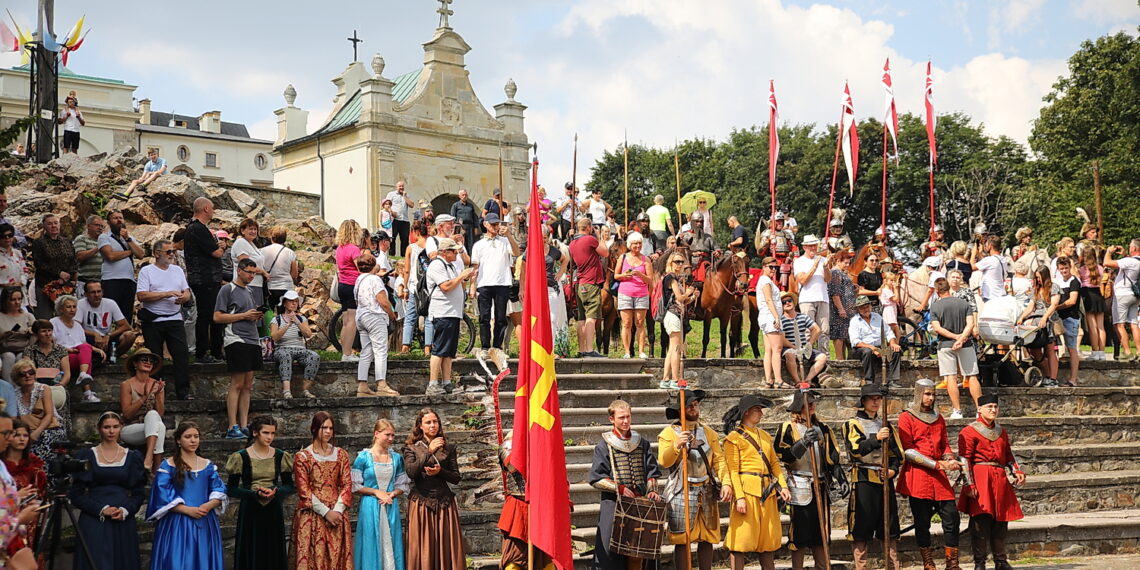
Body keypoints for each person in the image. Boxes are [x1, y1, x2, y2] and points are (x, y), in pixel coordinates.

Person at [658, 389, 730, 570]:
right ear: (681, 409)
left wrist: (726, 482)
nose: (693, 408)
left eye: (696, 404)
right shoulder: (669, 433)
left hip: (705, 488)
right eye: (689, 405)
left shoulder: (709, 433)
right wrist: (676, 445)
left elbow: (719, 460)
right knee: (683, 539)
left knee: (707, 536)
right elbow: (664, 461)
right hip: (681, 488)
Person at [896, 380, 963, 570]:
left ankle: (952, 563)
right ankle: (928, 561)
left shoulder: (938, 418)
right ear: (918, 394)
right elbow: (908, 451)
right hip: (918, 475)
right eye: (927, 394)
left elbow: (944, 444)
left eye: (933, 394)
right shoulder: (906, 418)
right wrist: (937, 464)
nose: (931, 398)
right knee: (922, 521)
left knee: (951, 517)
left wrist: (949, 458)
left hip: (939, 476)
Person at [68, 411, 147, 570]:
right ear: (99, 429)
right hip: (94, 518)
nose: (111, 431)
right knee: (94, 561)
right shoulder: (88, 455)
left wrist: (126, 510)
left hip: (122, 518)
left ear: (121, 428)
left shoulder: (132, 457)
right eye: (107, 427)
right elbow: (76, 494)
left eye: (115, 427)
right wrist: (101, 509)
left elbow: (139, 493)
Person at [590, 400, 662, 570]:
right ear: (611, 419)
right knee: (610, 550)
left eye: (628, 417)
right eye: (621, 417)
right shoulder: (603, 446)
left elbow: (652, 472)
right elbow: (596, 478)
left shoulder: (642, 443)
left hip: (640, 503)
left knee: (642, 549)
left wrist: (652, 491)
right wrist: (619, 488)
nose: (625, 421)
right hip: (615, 504)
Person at [775, 390, 844, 570]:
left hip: (820, 484)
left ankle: (822, 567)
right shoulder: (787, 428)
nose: (812, 405)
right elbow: (784, 455)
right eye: (808, 403)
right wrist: (803, 442)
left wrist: (840, 477)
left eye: (813, 402)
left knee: (821, 532)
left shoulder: (823, 429)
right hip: (800, 483)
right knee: (800, 533)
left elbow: (832, 457)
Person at [146, 421, 227, 570]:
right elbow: (161, 493)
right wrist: (188, 510)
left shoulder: (207, 465)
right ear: (178, 440)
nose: (193, 440)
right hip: (177, 523)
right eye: (188, 436)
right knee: (177, 561)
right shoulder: (168, 465)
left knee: (203, 560)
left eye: (196, 436)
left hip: (204, 521)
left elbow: (219, 489)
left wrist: (208, 506)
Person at [957, 394, 1025, 570]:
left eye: (995, 406)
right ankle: (980, 563)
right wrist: (969, 485)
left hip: (999, 478)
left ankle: (1000, 561)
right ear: (979, 409)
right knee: (980, 521)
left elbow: (1008, 455)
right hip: (980, 478)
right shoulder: (969, 431)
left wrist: (1017, 470)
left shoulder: (1001, 432)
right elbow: (964, 460)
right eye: (989, 407)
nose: (993, 410)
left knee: (1001, 521)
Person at [723, 394, 790, 570]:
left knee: (767, 539)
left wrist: (783, 485)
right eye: (757, 409)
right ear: (746, 412)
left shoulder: (765, 436)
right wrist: (739, 497)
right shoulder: (733, 438)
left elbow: (774, 463)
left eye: (761, 409)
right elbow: (733, 471)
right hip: (746, 491)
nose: (761, 413)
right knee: (741, 539)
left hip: (767, 491)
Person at [843, 383, 903, 570]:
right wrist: (876, 438)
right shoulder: (853, 424)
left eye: (878, 398)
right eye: (872, 398)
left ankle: (892, 565)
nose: (876, 402)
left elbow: (896, 454)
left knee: (889, 526)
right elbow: (855, 450)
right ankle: (861, 567)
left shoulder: (886, 424)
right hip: (863, 478)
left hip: (885, 478)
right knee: (861, 526)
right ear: (863, 401)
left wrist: (893, 470)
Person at [225, 415, 295, 570]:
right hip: (250, 511)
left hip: (273, 510)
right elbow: (231, 489)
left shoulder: (280, 456)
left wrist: (275, 491)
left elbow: (290, 486)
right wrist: (254, 494)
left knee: (273, 551)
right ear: (255, 433)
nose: (270, 437)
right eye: (266, 433)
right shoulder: (241, 456)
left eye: (273, 433)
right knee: (251, 551)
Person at [403, 408, 465, 570]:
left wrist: (440, 472)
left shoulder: (448, 447)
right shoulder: (411, 448)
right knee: (423, 547)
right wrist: (429, 451)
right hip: (421, 503)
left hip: (444, 502)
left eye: (435, 422)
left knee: (446, 544)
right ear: (420, 426)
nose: (432, 425)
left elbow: (456, 478)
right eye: (428, 422)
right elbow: (411, 472)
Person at [291, 411, 354, 569]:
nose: (328, 432)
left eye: (331, 428)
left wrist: (337, 511)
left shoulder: (341, 455)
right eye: (323, 427)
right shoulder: (303, 457)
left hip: (337, 512)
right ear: (314, 429)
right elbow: (304, 491)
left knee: (337, 558)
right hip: (313, 514)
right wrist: (326, 512)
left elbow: (347, 484)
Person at [136, 239, 193, 399]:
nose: (172, 255)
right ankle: (156, 392)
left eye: (173, 251)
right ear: (157, 254)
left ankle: (183, 391)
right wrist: (167, 294)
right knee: (155, 358)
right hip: (154, 320)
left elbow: (186, 290)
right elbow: (142, 295)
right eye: (168, 252)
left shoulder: (177, 270)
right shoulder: (147, 271)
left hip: (174, 318)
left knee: (181, 355)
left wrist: (184, 297)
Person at [216, 258, 265, 439]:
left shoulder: (250, 291)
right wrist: (243, 315)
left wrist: (254, 316)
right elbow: (217, 317)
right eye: (249, 272)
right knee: (237, 383)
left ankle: (244, 424)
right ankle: (232, 425)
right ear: (239, 270)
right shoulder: (227, 289)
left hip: (252, 339)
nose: (252, 276)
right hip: (236, 338)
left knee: (248, 384)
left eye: (254, 273)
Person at [353, 419, 409, 570]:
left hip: (390, 505)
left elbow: (402, 485)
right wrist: (376, 491)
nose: (391, 439)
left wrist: (392, 494)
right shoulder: (363, 458)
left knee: (391, 541)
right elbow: (356, 485)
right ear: (376, 434)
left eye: (393, 435)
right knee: (371, 541)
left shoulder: (396, 458)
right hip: (371, 506)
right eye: (387, 435)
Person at [426, 238, 475, 395]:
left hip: (452, 312)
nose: (457, 254)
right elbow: (446, 286)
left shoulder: (451, 265)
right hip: (442, 312)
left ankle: (447, 383)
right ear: (445, 252)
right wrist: (462, 276)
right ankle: (433, 383)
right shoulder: (436, 265)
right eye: (454, 251)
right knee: (439, 349)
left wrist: (465, 277)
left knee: (449, 351)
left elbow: (455, 284)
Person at [929, 278, 980, 417]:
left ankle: (957, 410)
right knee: (972, 376)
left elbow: (937, 328)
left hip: (946, 345)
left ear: (937, 291)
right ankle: (979, 410)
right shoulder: (963, 303)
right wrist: (962, 338)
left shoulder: (935, 306)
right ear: (949, 288)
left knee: (951, 377)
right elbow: (970, 324)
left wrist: (954, 337)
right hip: (966, 344)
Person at [470, 212, 519, 353]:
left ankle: (497, 346)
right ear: (485, 225)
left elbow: (516, 253)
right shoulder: (478, 245)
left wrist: (509, 235)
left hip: (502, 283)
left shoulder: (504, 241)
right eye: (493, 224)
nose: (495, 227)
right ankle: (485, 345)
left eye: (497, 224)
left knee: (501, 317)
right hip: (484, 283)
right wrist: (473, 285)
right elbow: (475, 266)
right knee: (484, 317)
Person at [185, 198, 225, 364]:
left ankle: (216, 350)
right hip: (205, 279)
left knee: (212, 315)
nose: (214, 211)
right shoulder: (198, 228)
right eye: (213, 208)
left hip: (205, 279)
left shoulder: (193, 228)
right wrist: (222, 246)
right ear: (206, 209)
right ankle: (203, 352)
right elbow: (216, 253)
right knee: (207, 316)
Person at [353, 253, 399, 397]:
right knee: (380, 350)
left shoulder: (359, 280)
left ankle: (362, 385)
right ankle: (381, 384)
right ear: (374, 265)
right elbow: (382, 300)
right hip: (375, 316)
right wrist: (392, 314)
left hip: (361, 316)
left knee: (366, 350)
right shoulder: (375, 279)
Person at [119, 349, 167, 471]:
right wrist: (146, 396)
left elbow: (160, 413)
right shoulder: (127, 384)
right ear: (135, 363)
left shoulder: (157, 384)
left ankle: (151, 462)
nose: (148, 362)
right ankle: (155, 465)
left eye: (151, 360)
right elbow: (127, 414)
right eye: (144, 359)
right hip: (131, 428)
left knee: (156, 420)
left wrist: (157, 394)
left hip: (152, 427)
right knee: (158, 425)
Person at [2, 420, 45, 553]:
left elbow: (41, 491)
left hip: (31, 517)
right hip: (7, 517)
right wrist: (17, 498)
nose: (22, 439)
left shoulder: (34, 464)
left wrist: (35, 499)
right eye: (17, 435)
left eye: (25, 435)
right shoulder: (2, 466)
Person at [50, 295, 102, 401]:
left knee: (86, 351)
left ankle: (83, 375)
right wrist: (68, 350)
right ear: (61, 309)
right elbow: (50, 343)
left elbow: (83, 344)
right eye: (68, 307)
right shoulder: (54, 322)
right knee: (86, 357)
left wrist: (97, 349)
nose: (72, 310)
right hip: (62, 356)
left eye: (74, 307)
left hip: (78, 355)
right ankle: (87, 392)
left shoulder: (78, 326)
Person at [270, 290, 319, 399]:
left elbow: (308, 334)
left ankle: (305, 390)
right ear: (284, 303)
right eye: (291, 301)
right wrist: (288, 325)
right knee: (285, 356)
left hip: (300, 349)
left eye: (296, 301)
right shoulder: (276, 319)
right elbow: (274, 337)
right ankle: (286, 391)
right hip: (283, 348)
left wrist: (297, 322)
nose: (294, 303)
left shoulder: (302, 319)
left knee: (314, 357)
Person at [1016, 267, 1061, 386]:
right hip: (1036, 319)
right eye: (1036, 277)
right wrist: (1022, 317)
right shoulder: (1036, 289)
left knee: (1050, 350)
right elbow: (1031, 306)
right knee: (1033, 348)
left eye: (1039, 277)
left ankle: (1053, 378)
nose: (1038, 280)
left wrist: (1045, 317)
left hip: (1048, 319)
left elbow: (1054, 305)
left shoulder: (1053, 287)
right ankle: (1046, 373)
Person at [98, 210, 144, 325]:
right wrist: (130, 252)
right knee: (110, 314)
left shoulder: (129, 238)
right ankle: (110, 340)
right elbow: (110, 256)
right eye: (115, 218)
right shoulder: (104, 237)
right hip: (111, 280)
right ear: (108, 222)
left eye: (121, 218)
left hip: (128, 280)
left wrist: (128, 239)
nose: (119, 220)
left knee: (126, 314)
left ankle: (124, 340)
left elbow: (141, 254)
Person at [28, 214, 78, 319]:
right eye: (50, 224)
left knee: (65, 316)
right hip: (45, 285)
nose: (53, 226)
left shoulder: (67, 241)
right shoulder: (39, 242)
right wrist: (59, 274)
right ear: (44, 226)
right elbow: (39, 263)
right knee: (45, 317)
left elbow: (73, 261)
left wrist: (68, 276)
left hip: (65, 285)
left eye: (56, 223)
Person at [661, 254, 697, 389]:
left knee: (672, 349)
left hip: (675, 314)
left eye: (682, 262)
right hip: (672, 314)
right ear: (671, 263)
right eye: (677, 262)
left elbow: (683, 300)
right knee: (676, 349)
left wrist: (692, 297)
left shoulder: (676, 279)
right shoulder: (671, 278)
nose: (680, 264)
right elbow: (680, 298)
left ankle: (666, 379)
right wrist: (688, 293)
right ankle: (675, 379)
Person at [78, 281, 136, 364]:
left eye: (99, 291)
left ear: (103, 292)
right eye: (93, 292)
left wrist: (109, 335)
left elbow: (126, 326)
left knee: (130, 335)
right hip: (88, 338)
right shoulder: (80, 304)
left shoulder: (110, 303)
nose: (97, 295)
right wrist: (94, 334)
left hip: (106, 338)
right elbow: (75, 327)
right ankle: (96, 356)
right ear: (86, 294)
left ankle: (111, 356)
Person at [849, 296, 902, 386]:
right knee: (867, 352)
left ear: (870, 306)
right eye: (862, 307)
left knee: (895, 351)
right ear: (858, 309)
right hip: (862, 349)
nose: (866, 309)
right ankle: (869, 381)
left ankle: (893, 380)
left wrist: (893, 343)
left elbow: (888, 332)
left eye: (867, 306)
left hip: (879, 347)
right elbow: (855, 341)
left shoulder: (877, 317)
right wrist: (871, 347)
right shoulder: (854, 321)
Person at [616, 232, 653, 358]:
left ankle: (642, 351)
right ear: (630, 245)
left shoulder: (646, 259)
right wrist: (624, 275)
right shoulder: (623, 258)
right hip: (625, 292)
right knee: (626, 323)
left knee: (640, 323)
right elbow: (616, 276)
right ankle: (627, 351)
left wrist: (640, 274)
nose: (637, 246)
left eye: (639, 243)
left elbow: (650, 280)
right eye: (635, 243)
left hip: (641, 293)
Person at [779, 292, 829, 388]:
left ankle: (808, 379)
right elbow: (781, 339)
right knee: (790, 355)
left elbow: (816, 329)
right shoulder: (781, 320)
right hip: (789, 348)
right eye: (783, 302)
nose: (787, 303)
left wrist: (809, 344)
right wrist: (795, 347)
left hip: (804, 347)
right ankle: (797, 381)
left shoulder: (802, 317)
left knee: (822, 357)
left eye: (789, 301)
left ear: (793, 302)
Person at [400, 220, 433, 355]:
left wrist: (406, 288)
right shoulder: (432, 246)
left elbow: (406, 270)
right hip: (430, 287)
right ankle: (427, 348)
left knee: (410, 317)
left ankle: (405, 347)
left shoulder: (411, 248)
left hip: (414, 286)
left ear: (416, 232)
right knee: (429, 318)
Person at [795, 235, 832, 353]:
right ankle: (807, 354)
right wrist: (815, 266)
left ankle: (824, 357)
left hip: (823, 298)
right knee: (807, 329)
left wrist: (826, 267)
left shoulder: (822, 260)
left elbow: (828, 279)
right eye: (810, 246)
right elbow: (803, 280)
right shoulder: (799, 261)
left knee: (824, 330)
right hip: (807, 299)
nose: (813, 248)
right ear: (804, 247)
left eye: (814, 245)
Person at [1104, 240, 1140, 361]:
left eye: (1130, 246)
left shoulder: (1129, 261)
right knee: (1134, 323)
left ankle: (1127, 352)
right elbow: (1130, 265)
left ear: (1134, 248)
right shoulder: (1135, 261)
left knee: (1119, 324)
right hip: (1135, 295)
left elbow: (1107, 263)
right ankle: (1139, 351)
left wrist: (1109, 252)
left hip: (1122, 295)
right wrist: (1125, 255)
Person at [336, 219, 367, 362]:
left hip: (342, 285)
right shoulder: (353, 249)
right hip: (352, 285)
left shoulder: (340, 249)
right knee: (352, 321)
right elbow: (360, 267)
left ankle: (345, 351)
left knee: (346, 320)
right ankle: (348, 353)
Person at [755, 256, 784, 388]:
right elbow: (768, 299)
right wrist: (776, 317)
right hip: (770, 316)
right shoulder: (766, 281)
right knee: (777, 349)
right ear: (764, 267)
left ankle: (769, 379)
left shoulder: (764, 280)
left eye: (775, 267)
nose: (773, 270)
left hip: (765, 316)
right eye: (771, 267)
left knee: (769, 350)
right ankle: (778, 379)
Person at [1054, 258, 1081, 386]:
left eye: (1066, 268)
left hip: (1070, 317)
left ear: (1070, 267)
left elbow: (1072, 301)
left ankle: (1073, 379)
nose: (1064, 271)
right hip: (1059, 318)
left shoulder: (1074, 282)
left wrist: (1056, 307)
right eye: (1061, 269)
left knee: (1072, 349)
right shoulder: (1058, 281)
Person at [230, 219, 270, 308]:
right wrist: (264, 272)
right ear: (242, 230)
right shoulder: (241, 242)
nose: (253, 231)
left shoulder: (251, 244)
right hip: (247, 285)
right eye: (250, 229)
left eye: (255, 229)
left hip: (256, 285)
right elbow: (246, 265)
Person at [21, 320, 72, 389]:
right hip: (36, 387)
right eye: (44, 331)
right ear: (36, 334)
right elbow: (27, 373)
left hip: (57, 386)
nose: (48, 334)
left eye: (49, 330)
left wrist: (60, 385)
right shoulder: (29, 350)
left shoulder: (61, 349)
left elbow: (67, 373)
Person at [1077, 247, 1108, 361]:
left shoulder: (1082, 269)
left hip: (1088, 296)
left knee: (1092, 327)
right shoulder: (1100, 268)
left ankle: (1094, 352)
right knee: (1101, 326)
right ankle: (1102, 352)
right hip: (1098, 295)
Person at [260, 225, 298, 310]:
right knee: (285, 315)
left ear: (271, 237)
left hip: (269, 287)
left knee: (269, 312)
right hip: (286, 287)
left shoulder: (262, 251)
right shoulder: (290, 253)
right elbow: (294, 274)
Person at [0, 287, 34, 381]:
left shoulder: (28, 316)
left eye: (19, 299)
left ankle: (20, 387)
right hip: (4, 348)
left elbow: (39, 330)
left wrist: (31, 329)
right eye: (13, 299)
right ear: (5, 300)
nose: (17, 302)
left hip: (23, 347)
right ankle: (9, 388)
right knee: (9, 356)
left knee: (21, 356)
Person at [828, 253, 857, 359]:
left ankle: (844, 359)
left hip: (848, 308)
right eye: (845, 263)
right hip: (840, 309)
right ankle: (840, 360)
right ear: (838, 261)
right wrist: (840, 309)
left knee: (844, 335)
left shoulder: (842, 272)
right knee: (839, 335)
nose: (847, 265)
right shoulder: (835, 272)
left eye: (848, 263)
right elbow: (835, 293)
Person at [971, 236, 1008, 302]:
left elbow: (971, 267)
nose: (985, 247)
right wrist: (979, 253)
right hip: (1000, 293)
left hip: (991, 295)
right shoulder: (1002, 259)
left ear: (990, 246)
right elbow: (986, 264)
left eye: (986, 245)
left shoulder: (990, 260)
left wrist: (973, 253)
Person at [73, 215, 105, 292]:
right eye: (97, 225)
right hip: (85, 282)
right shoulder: (81, 239)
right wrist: (98, 247)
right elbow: (80, 256)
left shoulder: (104, 241)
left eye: (102, 226)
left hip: (101, 283)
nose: (100, 228)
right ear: (88, 226)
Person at [385, 180, 415, 255]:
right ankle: (392, 255)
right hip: (394, 219)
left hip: (404, 220)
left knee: (405, 239)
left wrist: (405, 197)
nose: (401, 188)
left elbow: (412, 205)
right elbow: (387, 205)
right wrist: (391, 212)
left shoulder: (406, 195)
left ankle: (404, 256)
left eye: (402, 186)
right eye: (400, 186)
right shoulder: (391, 194)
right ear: (396, 187)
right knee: (392, 238)